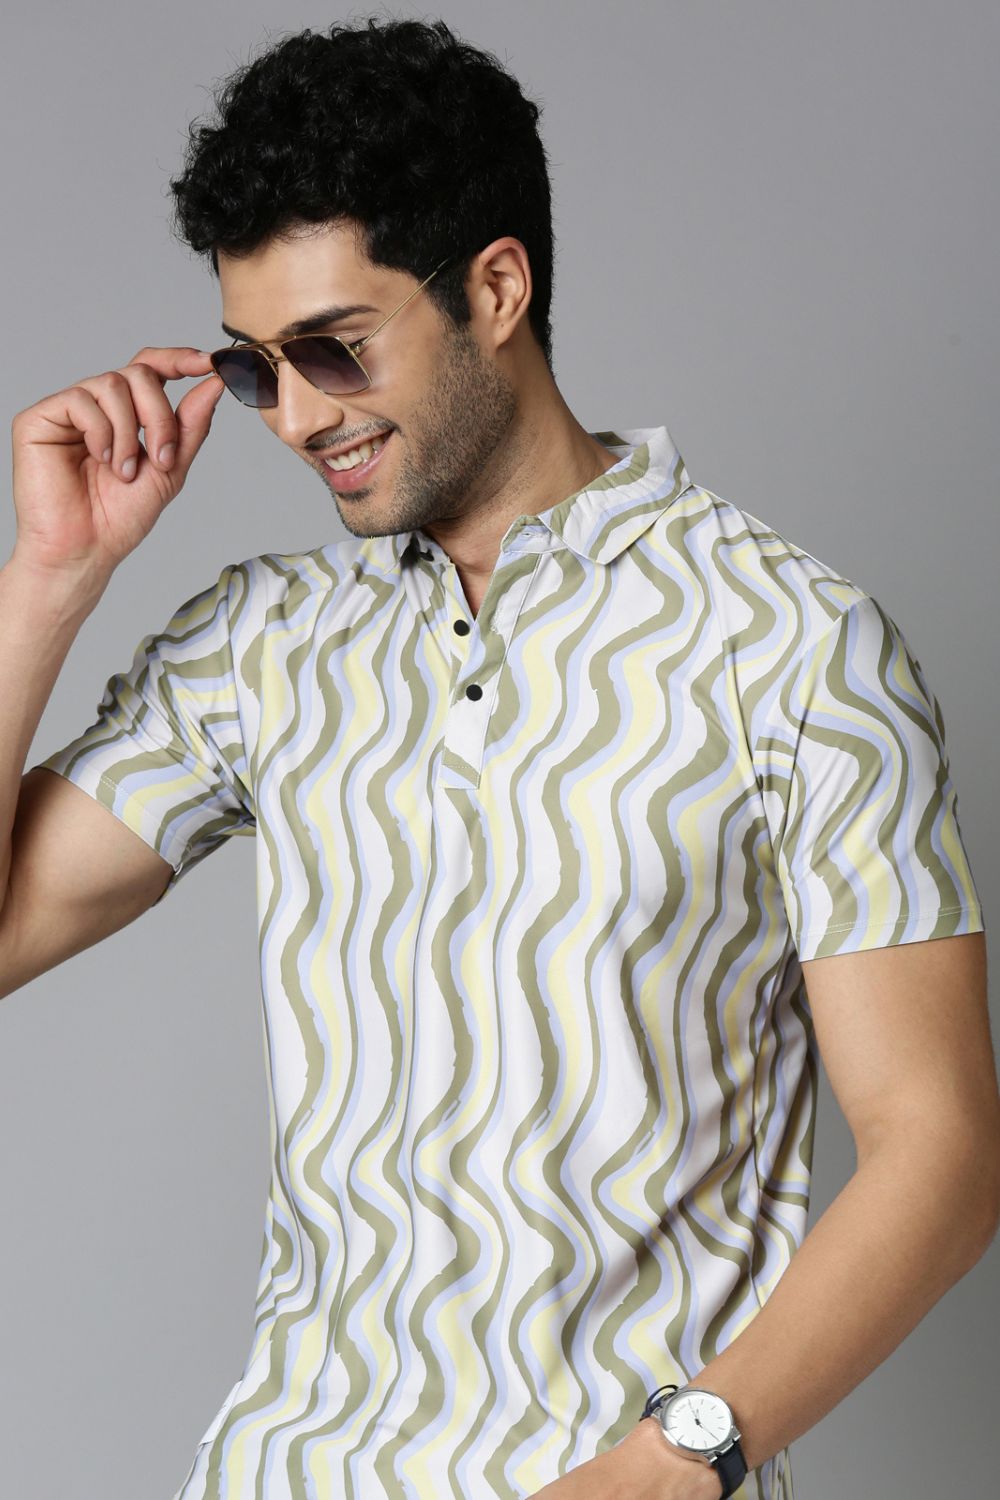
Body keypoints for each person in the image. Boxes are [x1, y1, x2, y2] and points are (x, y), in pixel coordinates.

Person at [1, 16, 996, 1500]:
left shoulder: (792, 644)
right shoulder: (265, 643)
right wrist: (50, 579)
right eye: (257, 369)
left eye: (335, 348)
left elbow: (940, 1150)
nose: (300, 418)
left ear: (497, 288)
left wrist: (673, 1466)